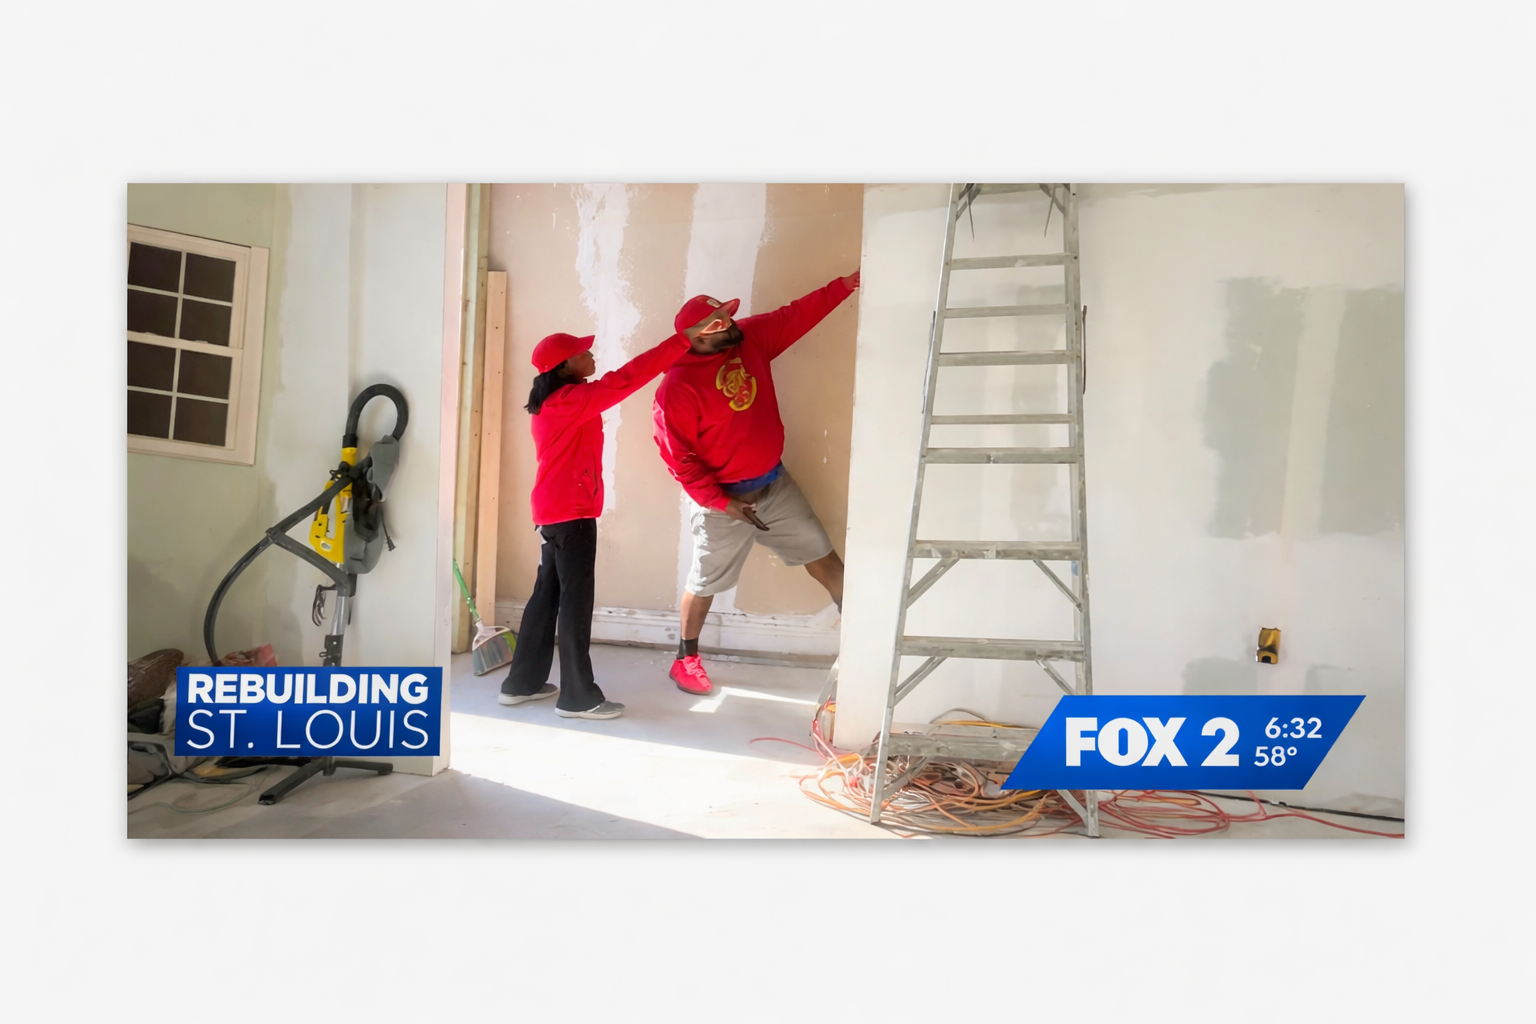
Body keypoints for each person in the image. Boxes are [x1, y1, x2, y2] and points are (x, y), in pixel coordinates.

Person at [652, 270, 860, 696]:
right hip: (722, 501)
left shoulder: (750, 338)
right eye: (717, 325)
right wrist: (723, 504)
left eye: (727, 317)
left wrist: (843, 285)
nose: (728, 326)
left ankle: (863, 641)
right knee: (704, 582)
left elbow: (794, 315)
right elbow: (681, 463)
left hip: (774, 486)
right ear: (694, 338)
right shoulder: (677, 386)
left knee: (824, 556)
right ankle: (685, 659)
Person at [499, 329, 688, 719]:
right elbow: (628, 378)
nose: (591, 355)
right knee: (574, 603)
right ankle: (579, 698)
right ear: (564, 366)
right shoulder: (571, 401)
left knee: (546, 596)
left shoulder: (556, 401)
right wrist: (681, 341)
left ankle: (522, 683)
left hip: (553, 513)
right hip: (571, 514)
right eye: (583, 353)